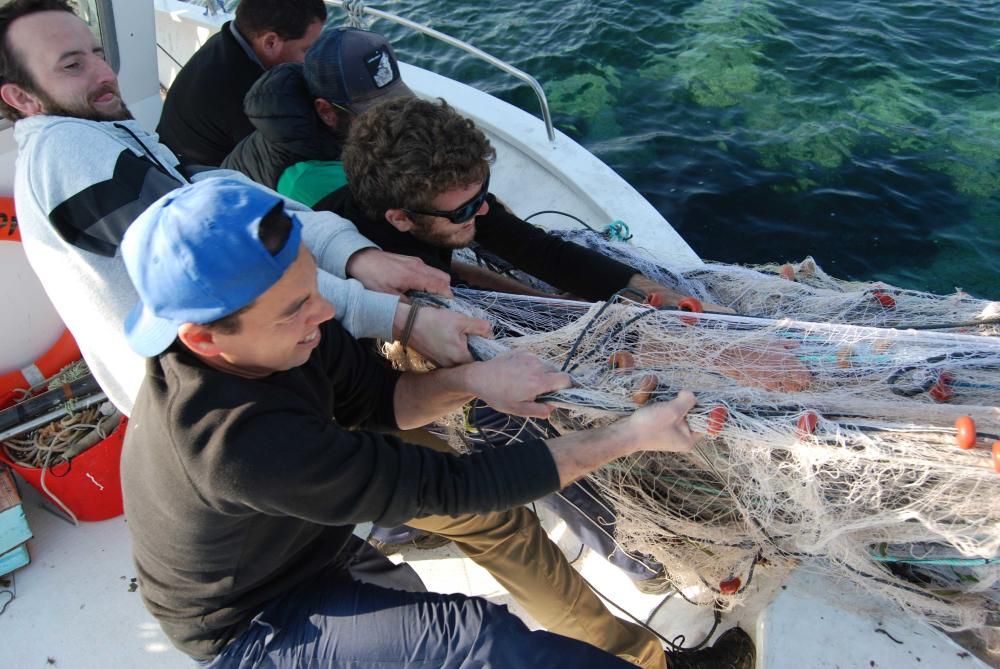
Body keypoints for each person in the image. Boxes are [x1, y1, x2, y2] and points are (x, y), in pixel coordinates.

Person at [119, 176, 755, 669]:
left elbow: (378, 402)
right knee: (474, 641)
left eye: (314, 288)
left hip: (306, 548)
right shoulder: (238, 443)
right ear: (203, 339)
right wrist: (632, 434)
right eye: (294, 309)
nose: (323, 312)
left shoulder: (286, 338)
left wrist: (477, 380)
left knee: (479, 544)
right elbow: (449, 486)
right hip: (251, 625)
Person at [0, 0, 478, 415]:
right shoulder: (65, 150)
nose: (104, 74)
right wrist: (400, 319)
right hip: (208, 399)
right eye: (71, 66)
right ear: (21, 98)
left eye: (97, 54)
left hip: (246, 354)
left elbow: (224, 191)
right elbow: (224, 260)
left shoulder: (104, 130)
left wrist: (356, 256)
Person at [222, 26, 413, 204]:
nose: (393, 121)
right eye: (374, 116)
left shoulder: (299, 116)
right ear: (326, 111)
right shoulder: (311, 179)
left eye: (397, 103)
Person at [156, 0, 326, 166]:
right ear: (270, 43)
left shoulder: (226, 41)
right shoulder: (245, 93)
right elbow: (289, 153)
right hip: (197, 178)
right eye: (307, 50)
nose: (314, 58)